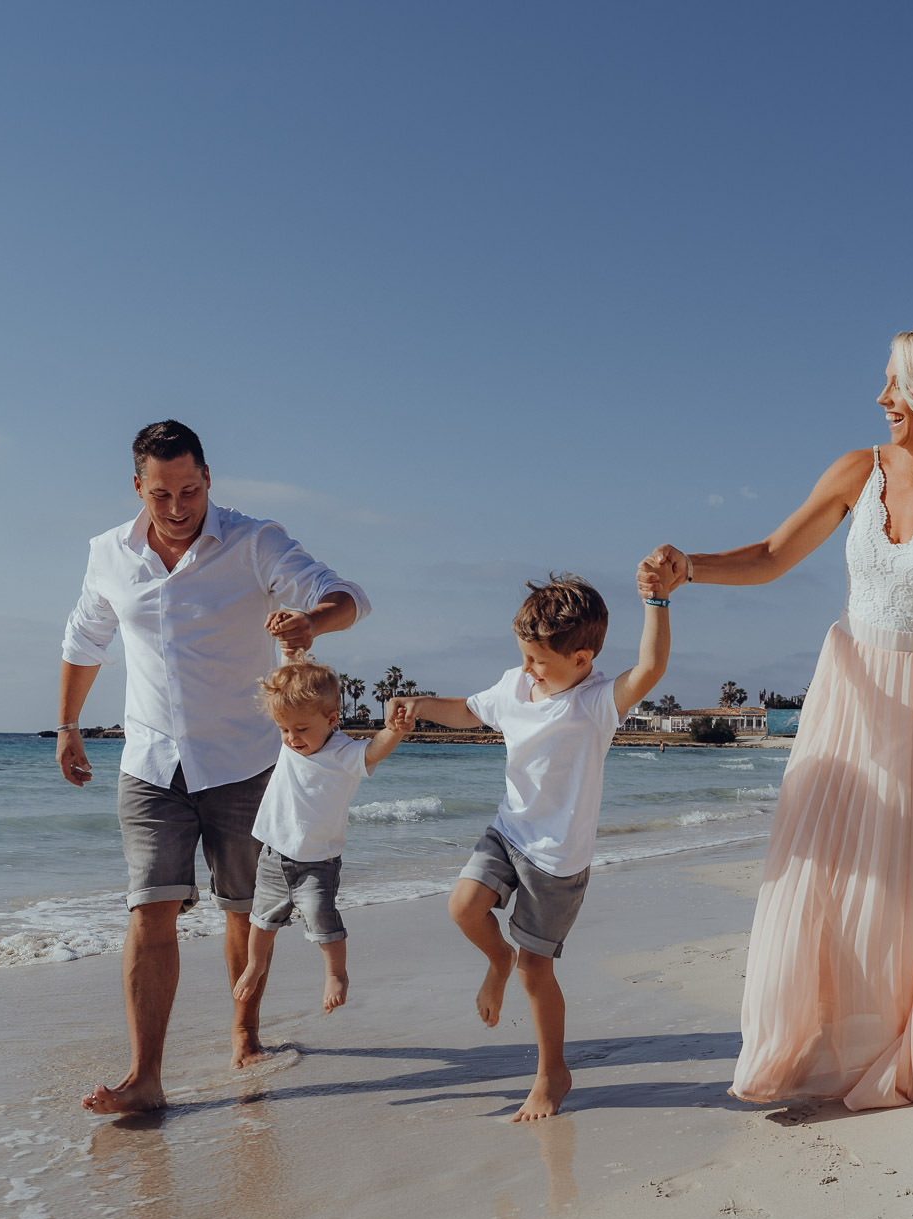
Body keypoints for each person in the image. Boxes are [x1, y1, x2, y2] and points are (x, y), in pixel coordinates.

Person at [640, 325, 913, 1110]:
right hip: (849, 692)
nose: (883, 398)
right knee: (819, 867)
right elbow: (770, 553)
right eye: (887, 382)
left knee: (903, 882)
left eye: (898, 384)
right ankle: (809, 1038)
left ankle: (897, 1036)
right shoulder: (857, 471)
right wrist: (690, 569)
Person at [58, 420, 370, 1113]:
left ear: (209, 480)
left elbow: (348, 596)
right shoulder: (109, 553)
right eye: (160, 494)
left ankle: (244, 1034)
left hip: (247, 761)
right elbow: (84, 639)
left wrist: (311, 621)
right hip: (150, 760)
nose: (176, 508)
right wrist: (69, 727)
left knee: (243, 910)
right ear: (137, 487)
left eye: (190, 490)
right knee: (150, 908)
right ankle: (145, 1078)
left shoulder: (255, 542)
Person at [390, 572, 673, 1121]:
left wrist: (656, 601)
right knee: (463, 906)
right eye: (524, 655)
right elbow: (470, 712)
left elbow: (651, 669)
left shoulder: (595, 702)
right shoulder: (515, 686)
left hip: (558, 859)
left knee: (535, 972)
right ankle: (497, 957)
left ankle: (552, 1074)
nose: (528, 668)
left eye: (540, 660)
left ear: (583, 658)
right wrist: (421, 703)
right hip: (509, 829)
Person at [233, 658, 413, 1035]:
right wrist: (290, 649)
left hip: (317, 862)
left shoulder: (343, 753)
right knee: (261, 919)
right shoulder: (291, 744)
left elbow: (375, 750)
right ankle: (255, 964)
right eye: (283, 729)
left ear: (332, 720)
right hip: (272, 854)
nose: (292, 738)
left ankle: (336, 974)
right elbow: (289, 675)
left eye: (300, 729)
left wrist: (393, 731)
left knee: (322, 918)